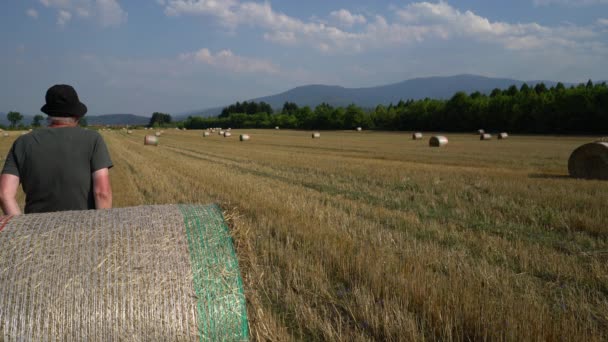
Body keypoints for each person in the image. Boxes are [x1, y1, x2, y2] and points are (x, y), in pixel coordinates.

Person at [0, 84, 113, 215]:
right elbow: (102, 193)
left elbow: (4, 194)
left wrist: (23, 227)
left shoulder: (22, 143)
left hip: (38, 232)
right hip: (83, 230)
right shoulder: (93, 139)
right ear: (77, 115)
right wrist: (100, 229)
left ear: (48, 114)